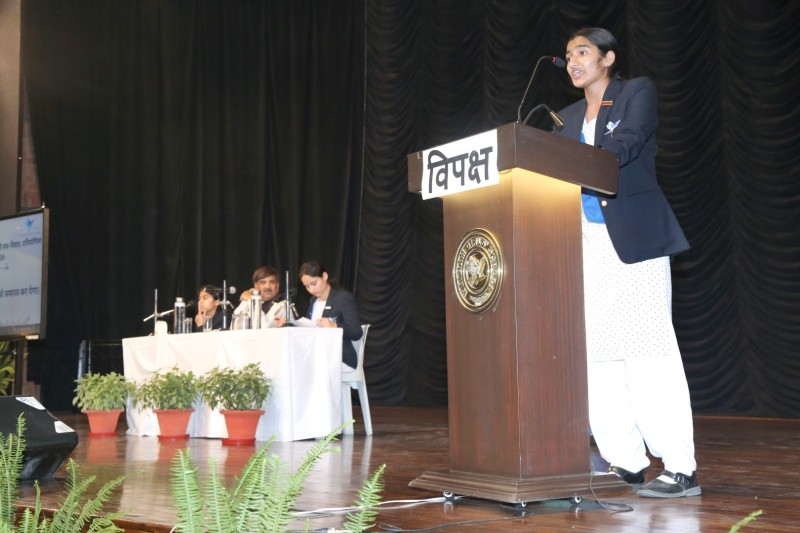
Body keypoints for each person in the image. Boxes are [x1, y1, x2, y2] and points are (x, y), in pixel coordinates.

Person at [554, 27, 700, 498]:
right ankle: (627, 461)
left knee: (648, 350)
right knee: (598, 355)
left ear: (608, 58)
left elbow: (631, 140)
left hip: (635, 239)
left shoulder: (636, 91)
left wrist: (583, 162)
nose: (573, 61)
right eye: (568, 56)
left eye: (582, 52)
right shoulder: (565, 116)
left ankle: (679, 467)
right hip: (584, 243)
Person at [298, 260, 362, 370]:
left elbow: (356, 332)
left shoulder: (343, 298)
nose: (311, 289)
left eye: (314, 283)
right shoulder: (313, 301)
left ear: (324, 276)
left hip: (340, 358)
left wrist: (335, 325)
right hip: (317, 355)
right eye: (307, 286)